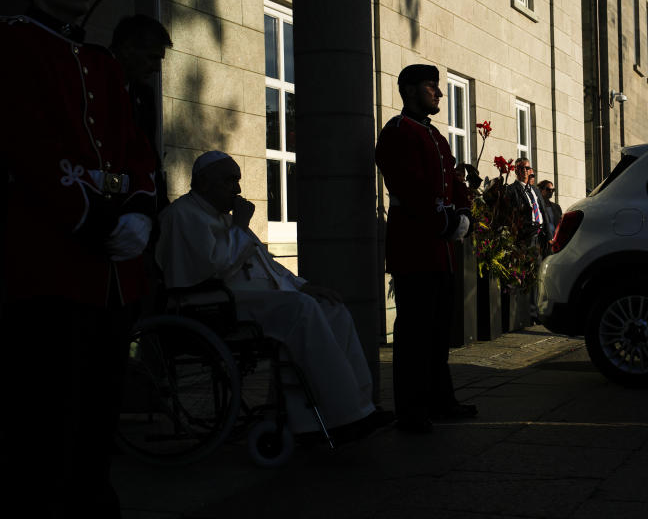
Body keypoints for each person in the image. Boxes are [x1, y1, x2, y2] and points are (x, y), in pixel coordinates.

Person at [0, 0, 158, 518]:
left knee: (99, 403)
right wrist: (90, 218)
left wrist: (141, 209)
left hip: (112, 269)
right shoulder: (15, 44)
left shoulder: (99, 62)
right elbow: (26, 145)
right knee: (48, 410)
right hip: (54, 259)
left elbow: (136, 150)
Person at [155, 152, 392, 442]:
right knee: (302, 310)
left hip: (247, 301)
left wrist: (302, 285)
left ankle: (359, 408)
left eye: (238, 181)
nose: (238, 190)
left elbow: (265, 261)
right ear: (204, 183)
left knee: (332, 308)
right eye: (230, 182)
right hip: (214, 306)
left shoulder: (221, 216)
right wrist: (240, 226)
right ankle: (344, 417)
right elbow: (212, 270)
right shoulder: (183, 215)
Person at [375, 63, 478, 433]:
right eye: (430, 87)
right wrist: (445, 222)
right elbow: (410, 186)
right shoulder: (398, 132)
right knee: (414, 333)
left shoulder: (436, 137)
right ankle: (412, 409)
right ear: (408, 90)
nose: (437, 93)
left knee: (437, 331)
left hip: (440, 249)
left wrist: (463, 211)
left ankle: (440, 399)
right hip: (414, 245)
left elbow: (453, 178)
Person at [110, 14, 173, 208]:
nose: (156, 68)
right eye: (152, 58)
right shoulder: (92, 81)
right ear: (128, 49)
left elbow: (151, 158)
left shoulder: (144, 95)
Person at [509, 158, 554, 251]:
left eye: (527, 167)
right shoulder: (512, 190)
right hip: (526, 237)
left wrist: (549, 236)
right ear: (516, 170)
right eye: (522, 168)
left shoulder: (535, 190)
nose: (525, 170)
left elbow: (544, 212)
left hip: (542, 236)